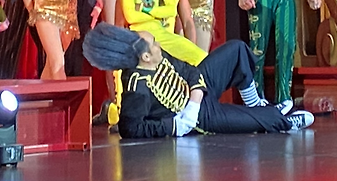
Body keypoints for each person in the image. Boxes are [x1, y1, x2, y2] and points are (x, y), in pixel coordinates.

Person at [81, 23, 315, 138]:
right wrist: (174, 126)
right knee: (257, 122)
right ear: (145, 57)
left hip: (198, 95)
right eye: (154, 44)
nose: (159, 45)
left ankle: (256, 103)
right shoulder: (136, 87)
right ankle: (281, 120)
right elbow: (130, 128)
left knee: (236, 49)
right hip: (200, 118)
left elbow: (189, 70)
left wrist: (195, 98)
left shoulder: (158, 56)